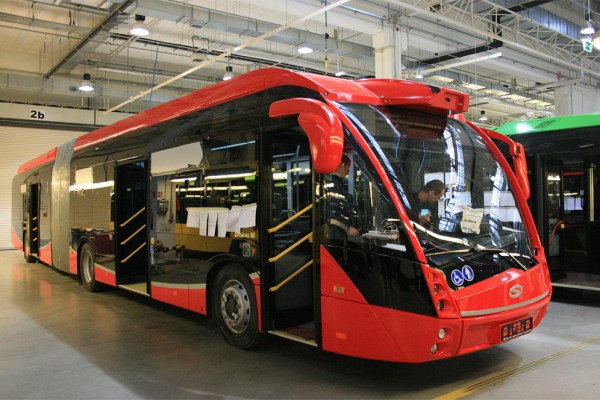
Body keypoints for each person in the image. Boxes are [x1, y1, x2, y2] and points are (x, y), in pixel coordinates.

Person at [324, 155, 360, 240]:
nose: (349, 171)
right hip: (337, 231)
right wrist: (347, 227)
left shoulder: (335, 184)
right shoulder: (334, 185)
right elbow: (333, 211)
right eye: (348, 167)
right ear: (342, 165)